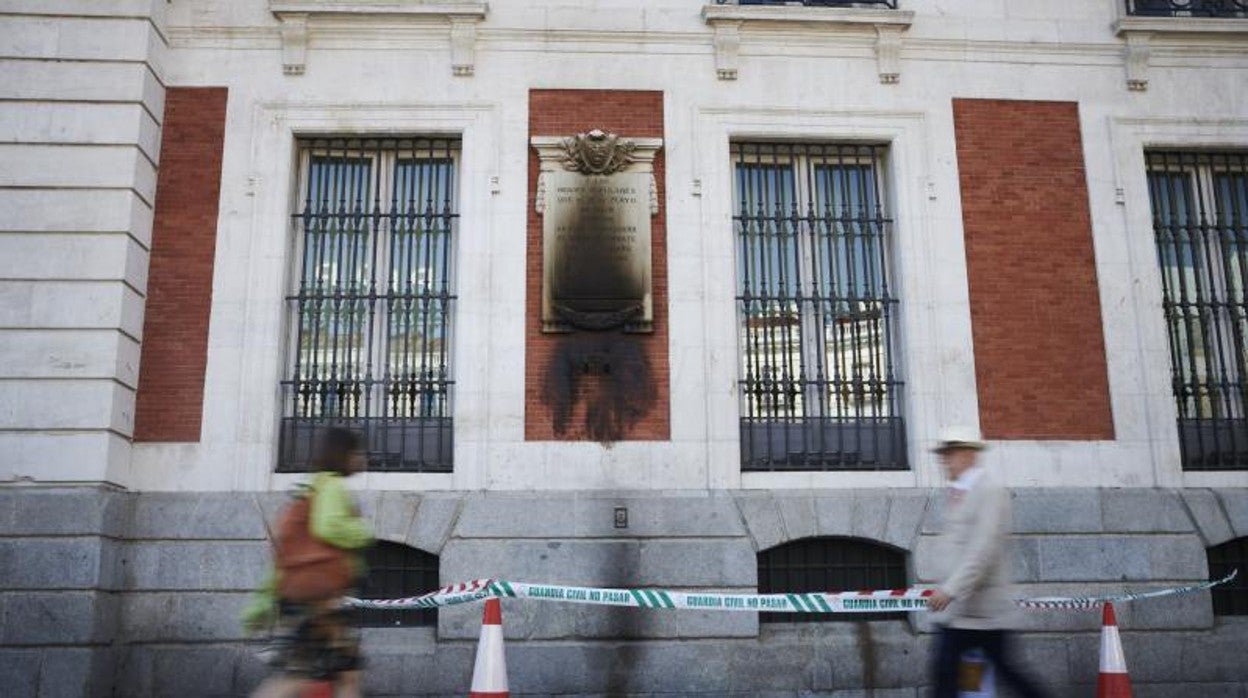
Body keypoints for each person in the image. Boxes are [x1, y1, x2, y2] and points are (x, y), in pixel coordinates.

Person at [243, 427, 375, 698]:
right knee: (317, 676)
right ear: (345, 455)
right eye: (357, 452)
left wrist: (263, 602)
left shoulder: (308, 489)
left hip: (300, 597)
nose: (362, 458)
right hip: (325, 601)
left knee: (334, 673)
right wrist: (364, 532)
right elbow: (328, 527)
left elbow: (284, 554)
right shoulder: (333, 487)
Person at [926, 427, 1048, 698]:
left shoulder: (989, 492)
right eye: (943, 455)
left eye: (950, 454)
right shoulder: (959, 492)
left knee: (959, 676)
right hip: (960, 612)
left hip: (981, 611)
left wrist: (950, 589)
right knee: (950, 676)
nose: (944, 461)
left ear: (969, 455)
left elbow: (983, 548)